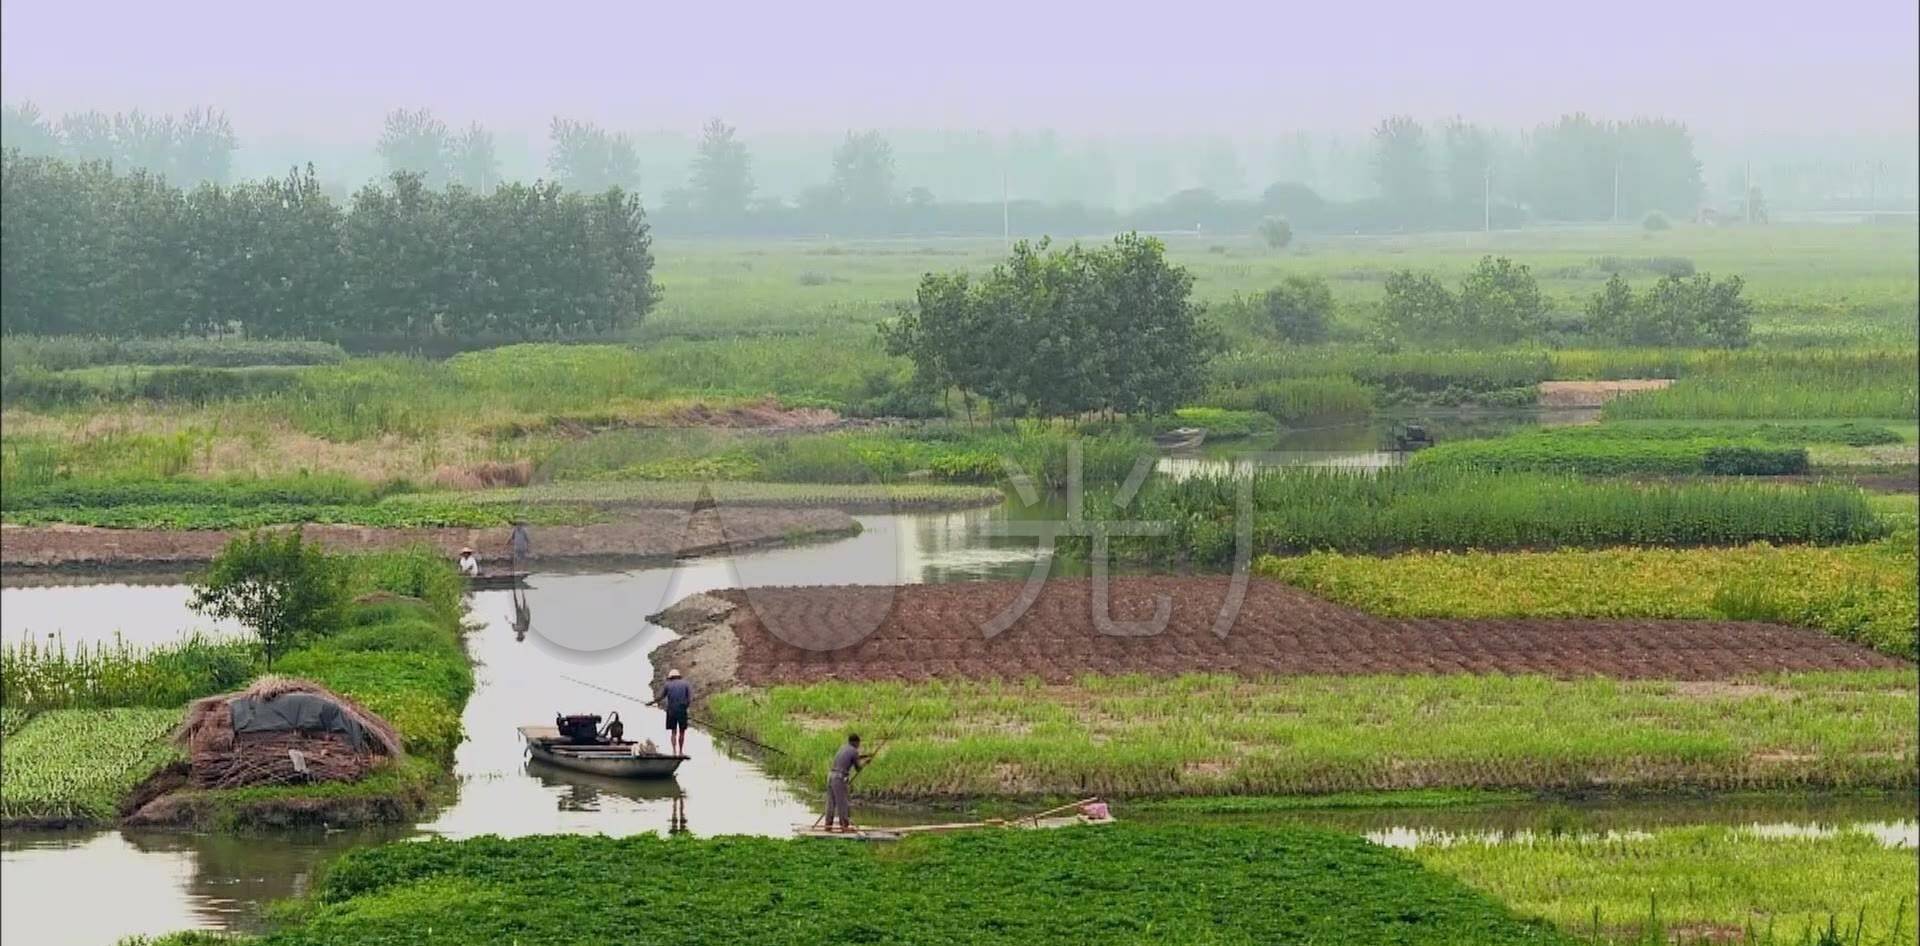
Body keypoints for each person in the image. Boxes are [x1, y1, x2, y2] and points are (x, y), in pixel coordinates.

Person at [825, 733, 874, 833]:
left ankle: (828, 826)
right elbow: (858, 768)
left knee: (831, 803)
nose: (859, 746)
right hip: (839, 778)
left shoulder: (844, 747)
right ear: (856, 742)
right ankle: (844, 827)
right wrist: (866, 762)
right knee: (843, 803)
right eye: (859, 743)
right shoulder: (854, 751)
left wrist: (865, 756)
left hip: (831, 776)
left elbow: (852, 757)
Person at [656, 669, 693, 756]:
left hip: (671, 711)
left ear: (671, 677)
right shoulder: (686, 684)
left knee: (673, 732)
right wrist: (685, 707)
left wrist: (651, 702)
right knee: (682, 732)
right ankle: (680, 752)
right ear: (679, 676)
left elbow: (661, 697)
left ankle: (674, 751)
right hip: (682, 711)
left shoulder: (667, 685)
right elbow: (689, 698)